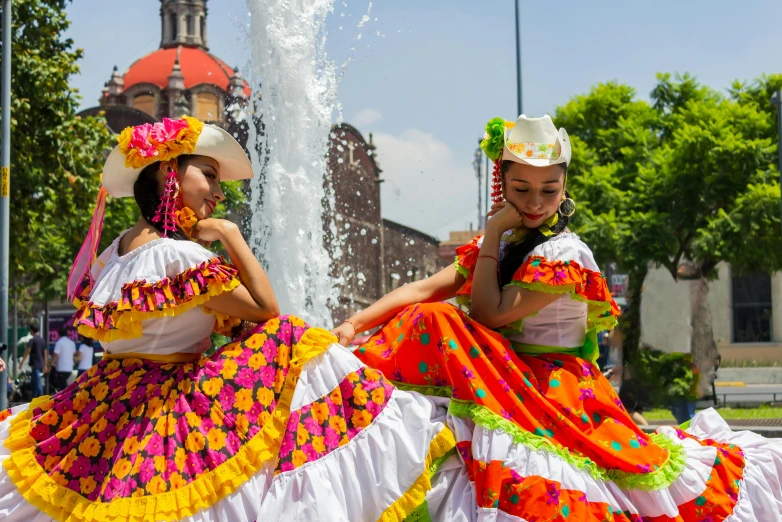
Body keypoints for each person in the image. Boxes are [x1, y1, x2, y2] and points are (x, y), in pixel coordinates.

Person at [0, 116, 451, 521]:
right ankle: (403, 427)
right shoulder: (180, 255)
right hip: (166, 403)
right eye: (209, 176)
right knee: (291, 338)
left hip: (106, 401)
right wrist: (231, 235)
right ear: (167, 170)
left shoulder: (114, 252)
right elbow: (267, 311)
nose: (218, 192)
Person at [333, 114, 782, 521]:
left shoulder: (562, 253)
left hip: (558, 388)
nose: (535, 203)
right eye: (521, 190)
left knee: (441, 326)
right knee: (429, 320)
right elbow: (423, 288)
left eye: (549, 190)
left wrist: (492, 230)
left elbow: (489, 314)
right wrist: (354, 324)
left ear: (564, 187)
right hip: (508, 376)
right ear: (502, 185)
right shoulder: (504, 247)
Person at [18, 320, 46, 398]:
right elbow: (45, 353)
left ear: (31, 330)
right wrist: (45, 365)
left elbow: (27, 351)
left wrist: (21, 362)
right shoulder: (42, 340)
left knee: (37, 384)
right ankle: (34, 398)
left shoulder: (32, 340)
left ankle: (41, 399)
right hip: (40, 364)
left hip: (35, 364)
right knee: (34, 382)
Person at [48, 326, 77, 392]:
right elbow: (73, 355)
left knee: (62, 387)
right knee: (63, 384)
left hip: (61, 368)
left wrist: (50, 365)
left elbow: (55, 355)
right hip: (69, 368)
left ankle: (64, 399)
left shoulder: (59, 343)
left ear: (59, 334)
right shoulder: (72, 343)